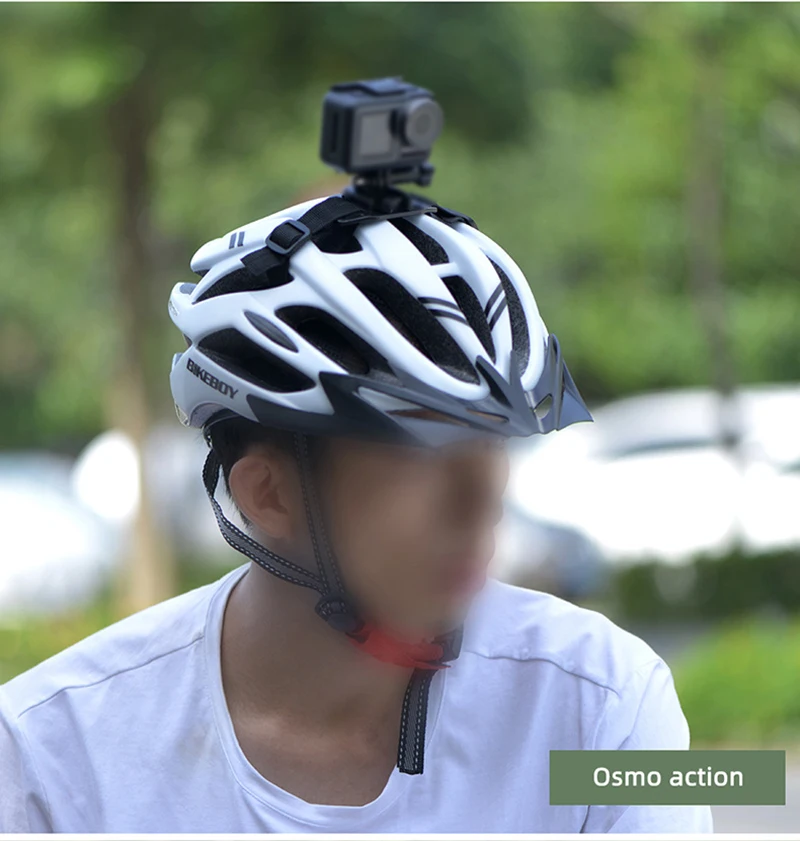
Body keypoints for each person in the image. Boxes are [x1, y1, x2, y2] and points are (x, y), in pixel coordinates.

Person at [0, 191, 712, 833]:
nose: (484, 497)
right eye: (427, 448)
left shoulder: (601, 701)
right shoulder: (53, 757)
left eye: (494, 439)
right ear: (268, 495)